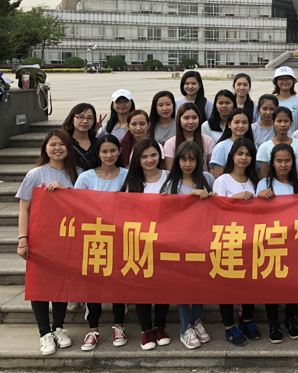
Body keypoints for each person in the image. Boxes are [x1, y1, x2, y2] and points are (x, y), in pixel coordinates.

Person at [16, 130, 78, 355]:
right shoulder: (35, 174)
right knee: (39, 286)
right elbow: (24, 209)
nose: (57, 148)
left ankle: (58, 327)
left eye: (62, 144)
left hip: (67, 238)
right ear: (45, 148)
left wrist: (66, 191)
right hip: (40, 238)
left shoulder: (78, 174)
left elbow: (84, 204)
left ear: (69, 148)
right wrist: (23, 239)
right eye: (53, 144)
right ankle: (44, 333)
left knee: (61, 284)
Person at [73, 134, 129, 351]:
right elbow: (77, 206)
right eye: (104, 151)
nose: (108, 155)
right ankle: (93, 329)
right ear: (97, 153)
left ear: (119, 151)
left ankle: (119, 325)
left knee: (118, 283)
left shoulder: (128, 175)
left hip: (121, 238)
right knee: (94, 283)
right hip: (94, 237)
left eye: (113, 150)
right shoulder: (86, 178)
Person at [160, 141, 214, 349]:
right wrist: (189, 197)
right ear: (177, 161)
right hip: (179, 243)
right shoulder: (170, 181)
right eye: (183, 159)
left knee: (200, 283)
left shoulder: (208, 179)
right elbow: (165, 208)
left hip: (203, 241)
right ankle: (185, 328)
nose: (188, 164)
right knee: (182, 285)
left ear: (199, 160)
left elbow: (218, 205)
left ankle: (197, 321)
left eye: (192, 159)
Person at [210, 138, 263, 346]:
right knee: (227, 284)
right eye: (240, 153)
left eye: (248, 154)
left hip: (252, 239)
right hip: (228, 240)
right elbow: (215, 210)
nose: (244, 158)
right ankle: (229, 327)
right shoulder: (222, 180)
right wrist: (235, 200)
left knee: (250, 283)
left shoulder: (255, 181)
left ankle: (247, 320)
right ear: (232, 155)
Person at [120, 139, 170, 350]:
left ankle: (160, 326)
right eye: (144, 156)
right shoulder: (132, 182)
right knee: (141, 287)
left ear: (160, 156)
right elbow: (123, 210)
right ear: (137, 160)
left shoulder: (169, 178)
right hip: (139, 242)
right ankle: (145, 329)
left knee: (163, 286)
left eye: (153, 155)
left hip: (166, 241)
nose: (150, 160)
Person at [255, 143, 298, 343]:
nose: (283, 165)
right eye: (279, 161)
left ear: (293, 162)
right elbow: (255, 213)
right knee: (271, 284)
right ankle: (273, 322)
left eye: (287, 160)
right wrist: (259, 198)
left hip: (294, 241)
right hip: (271, 241)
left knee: (293, 282)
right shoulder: (263, 184)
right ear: (272, 163)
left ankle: (291, 319)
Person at [256, 107, 298, 178]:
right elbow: (264, 175)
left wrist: (291, 182)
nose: (283, 125)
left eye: (286, 121)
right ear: (273, 123)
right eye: (279, 121)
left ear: (291, 123)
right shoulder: (264, 147)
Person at [163, 104, 215, 171]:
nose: (191, 122)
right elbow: (170, 171)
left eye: (194, 118)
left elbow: (212, 168)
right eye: (186, 118)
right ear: (179, 120)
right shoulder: (170, 143)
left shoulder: (208, 140)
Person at [209, 108, 252, 177]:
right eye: (237, 122)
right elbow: (218, 176)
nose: (241, 126)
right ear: (229, 124)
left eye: (244, 122)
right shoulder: (221, 147)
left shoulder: (252, 145)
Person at [61, 103, 103, 171]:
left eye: (89, 118)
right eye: (80, 117)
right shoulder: (65, 143)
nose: (85, 121)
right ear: (72, 119)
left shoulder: (98, 143)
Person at [272, 66, 298, 136]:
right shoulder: (271, 101)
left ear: (293, 81)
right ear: (276, 82)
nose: (285, 81)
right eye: (281, 79)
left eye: (288, 78)